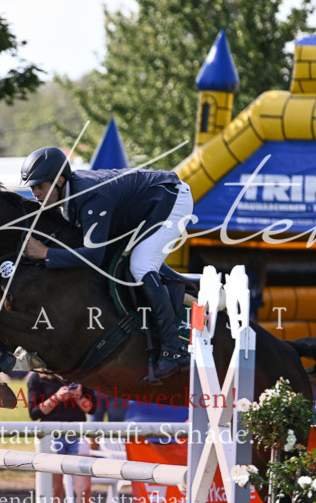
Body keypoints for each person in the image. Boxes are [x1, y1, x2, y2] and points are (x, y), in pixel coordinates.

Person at [19, 147, 194, 380]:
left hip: (171, 201)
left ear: (60, 180)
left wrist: (45, 253)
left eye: (40, 186)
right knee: (133, 262)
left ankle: (174, 350)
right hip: (145, 208)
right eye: (32, 188)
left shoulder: (90, 197)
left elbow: (93, 256)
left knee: (140, 266)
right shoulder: (69, 196)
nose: (36, 194)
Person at [27, 371, 97, 503]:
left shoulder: (81, 373)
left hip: (77, 434)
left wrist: (78, 396)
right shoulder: (37, 378)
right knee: (55, 489)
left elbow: (91, 409)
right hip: (51, 436)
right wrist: (57, 398)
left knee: (84, 490)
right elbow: (34, 413)